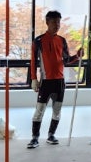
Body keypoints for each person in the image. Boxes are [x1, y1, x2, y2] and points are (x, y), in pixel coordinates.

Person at [27, 10, 83, 148]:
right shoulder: (38, 41)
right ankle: (34, 138)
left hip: (59, 82)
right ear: (47, 22)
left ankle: (51, 135)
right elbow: (33, 61)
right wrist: (34, 79)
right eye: (53, 22)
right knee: (39, 111)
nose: (56, 25)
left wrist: (77, 56)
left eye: (58, 22)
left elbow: (66, 60)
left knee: (57, 111)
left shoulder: (62, 40)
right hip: (45, 81)